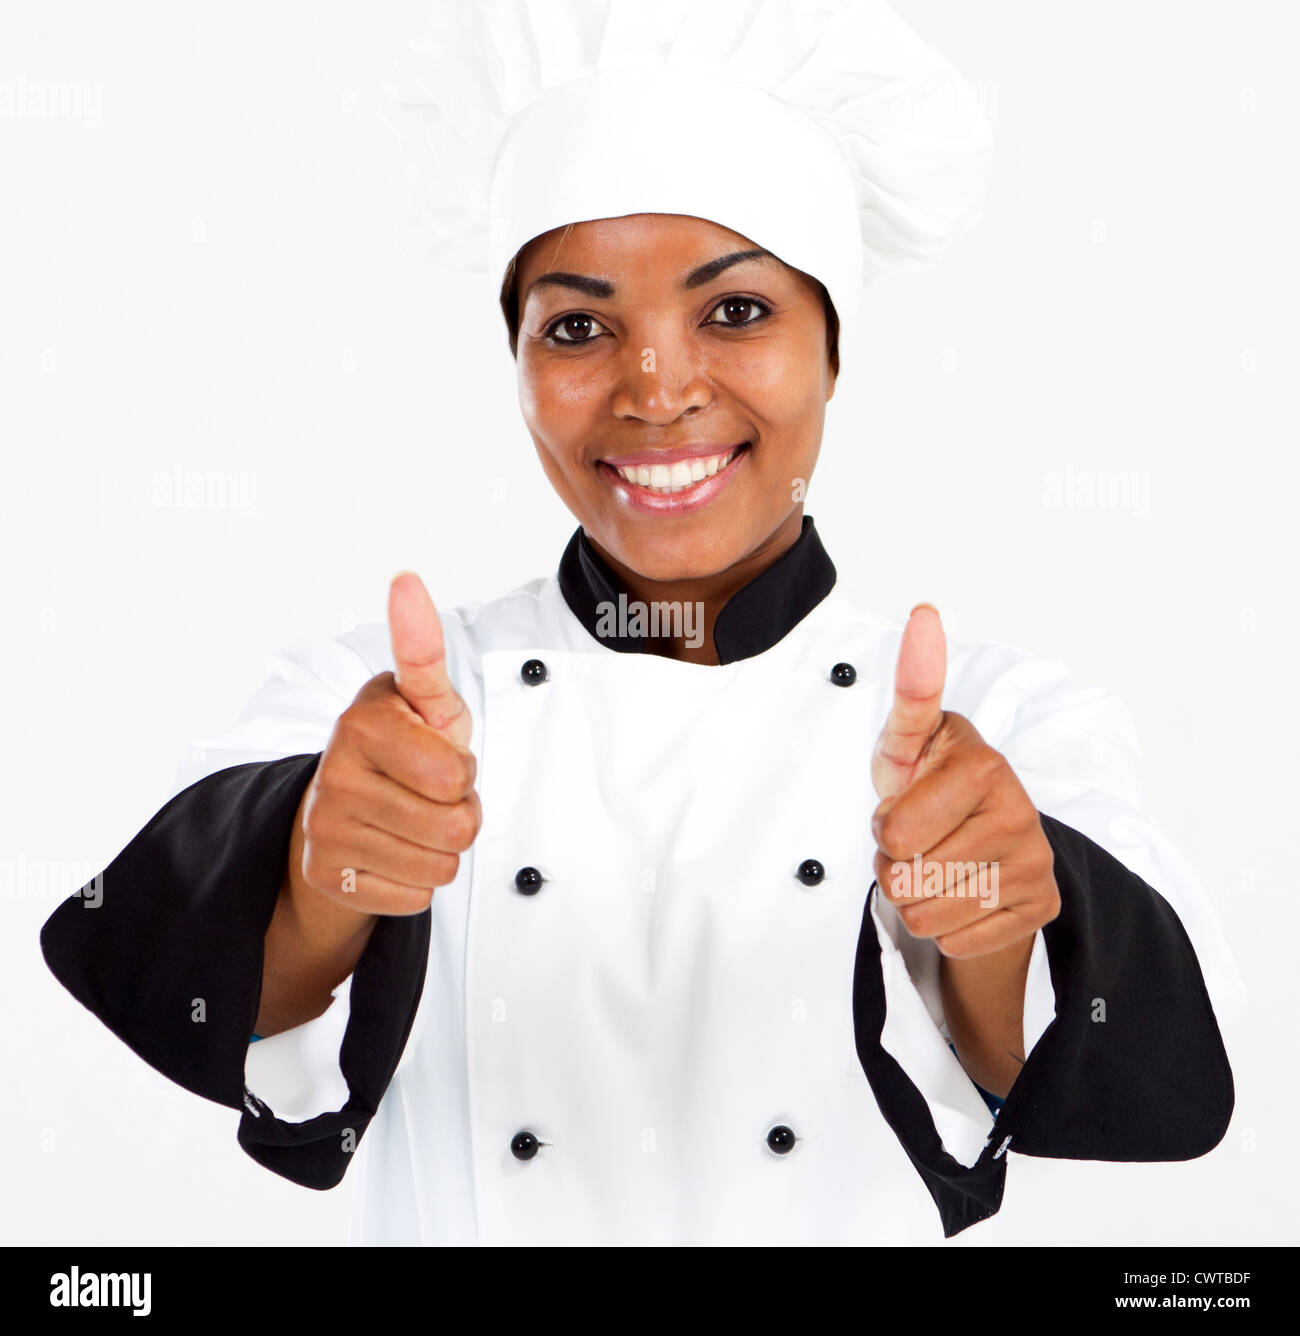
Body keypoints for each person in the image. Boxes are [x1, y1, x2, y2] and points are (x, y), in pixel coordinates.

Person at [40, 0, 1244, 1246]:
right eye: (577, 325)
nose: (658, 389)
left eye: (735, 311)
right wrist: (318, 868)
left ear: (834, 346)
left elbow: (1147, 1074)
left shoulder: (1006, 725)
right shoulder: (379, 705)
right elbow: (166, 971)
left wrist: (997, 924)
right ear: (513, 363)